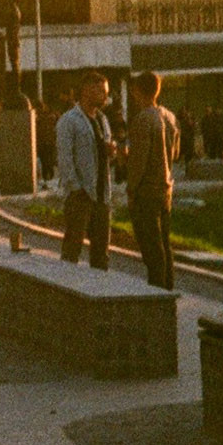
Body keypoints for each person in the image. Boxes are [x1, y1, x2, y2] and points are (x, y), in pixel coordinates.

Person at [125, 73, 182, 290]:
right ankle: (168, 290)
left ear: (138, 90)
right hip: (166, 189)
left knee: (152, 248)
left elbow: (139, 161)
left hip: (147, 191)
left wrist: (131, 189)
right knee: (165, 246)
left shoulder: (143, 119)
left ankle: (157, 294)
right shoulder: (170, 117)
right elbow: (175, 154)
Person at [56, 72, 116, 270]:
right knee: (73, 248)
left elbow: (103, 152)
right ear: (86, 90)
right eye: (101, 91)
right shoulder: (69, 120)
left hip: (101, 194)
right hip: (80, 195)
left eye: (106, 92)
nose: (105, 96)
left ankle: (100, 292)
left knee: (101, 252)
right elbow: (65, 158)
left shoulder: (102, 119)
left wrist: (111, 152)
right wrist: (76, 188)